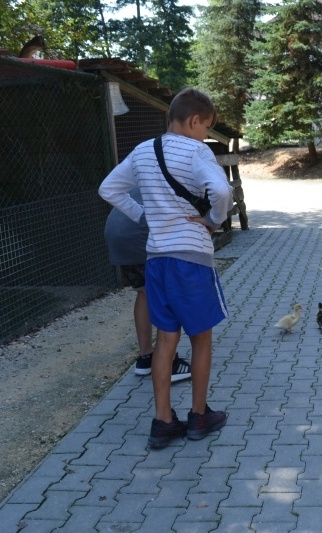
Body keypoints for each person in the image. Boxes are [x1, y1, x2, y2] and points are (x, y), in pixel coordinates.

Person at [99, 87, 234, 449]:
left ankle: (163, 422)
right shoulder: (197, 151)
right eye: (206, 127)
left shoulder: (143, 150)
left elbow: (109, 188)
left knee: (165, 340)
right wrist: (213, 221)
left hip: (156, 259)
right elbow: (222, 191)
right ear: (195, 120)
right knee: (201, 338)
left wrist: (145, 216)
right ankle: (199, 416)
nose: (205, 135)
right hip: (191, 259)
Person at [103, 187, 192, 382]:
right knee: (164, 295)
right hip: (139, 232)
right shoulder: (176, 176)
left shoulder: (143, 174)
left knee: (144, 292)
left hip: (116, 233)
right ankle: (170, 363)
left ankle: (146, 358)